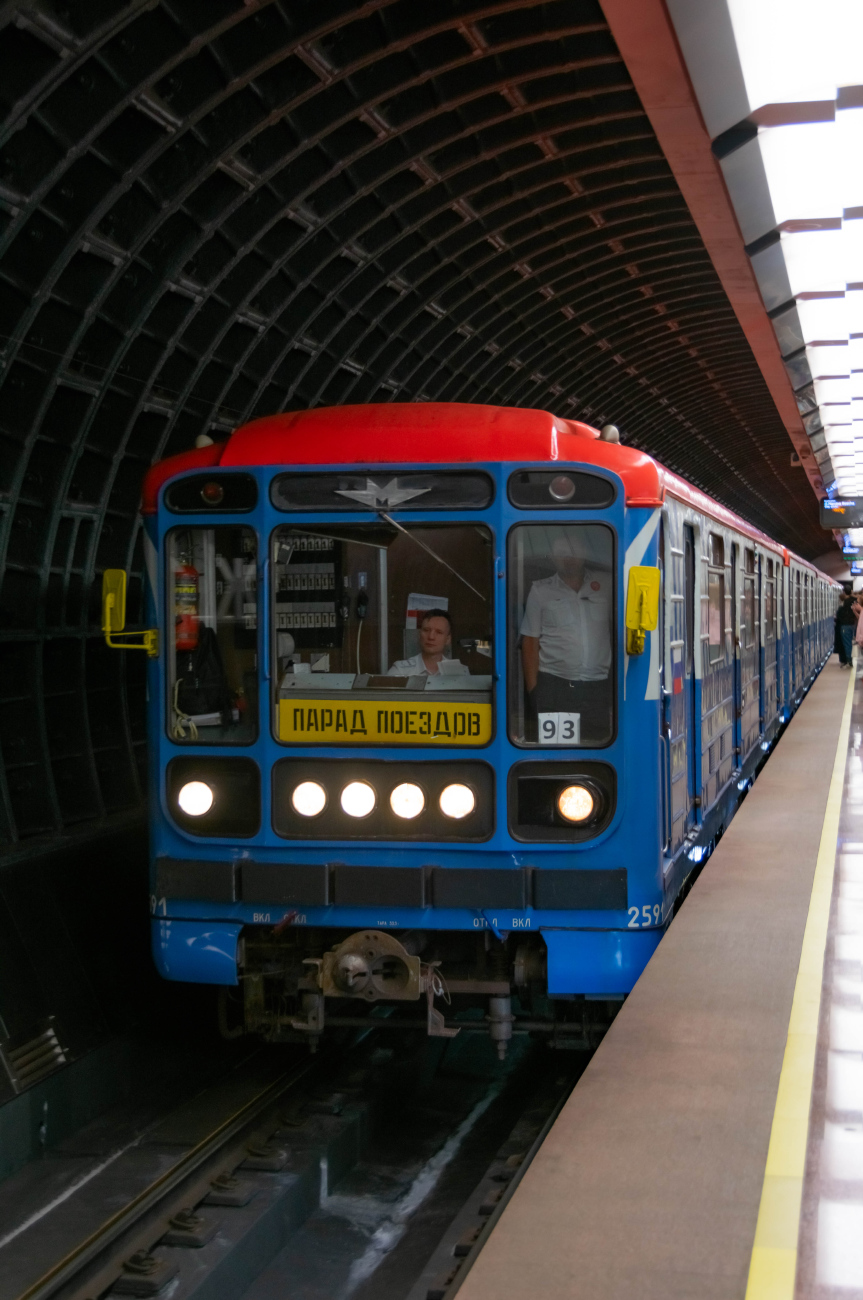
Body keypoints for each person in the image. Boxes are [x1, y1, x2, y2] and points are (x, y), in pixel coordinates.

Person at [520, 534, 612, 740]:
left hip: (598, 688)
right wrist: (534, 692)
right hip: (555, 686)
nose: (568, 557)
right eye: (562, 553)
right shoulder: (540, 590)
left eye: (574, 552)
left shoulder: (607, 584)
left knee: (598, 748)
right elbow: (530, 641)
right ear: (553, 557)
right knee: (556, 749)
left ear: (584, 554)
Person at [388, 608, 469, 678]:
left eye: (439, 632)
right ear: (419, 634)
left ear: (448, 639)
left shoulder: (461, 672)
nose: (431, 637)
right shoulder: (400, 670)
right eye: (426, 630)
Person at [836, 593, 858, 667]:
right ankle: (849, 659)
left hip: (845, 625)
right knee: (849, 642)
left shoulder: (843, 606)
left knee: (847, 643)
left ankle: (849, 660)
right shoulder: (854, 602)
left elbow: (839, 616)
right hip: (852, 625)